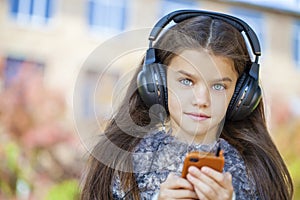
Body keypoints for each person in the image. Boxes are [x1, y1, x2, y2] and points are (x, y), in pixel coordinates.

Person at [80, 10, 294, 200]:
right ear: (157, 84)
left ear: (241, 97)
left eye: (218, 86)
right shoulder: (122, 164)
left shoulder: (257, 174)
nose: (202, 100)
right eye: (186, 81)